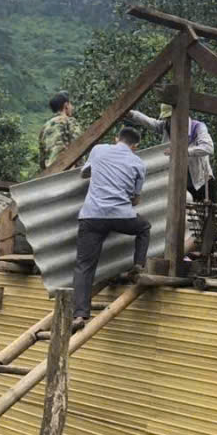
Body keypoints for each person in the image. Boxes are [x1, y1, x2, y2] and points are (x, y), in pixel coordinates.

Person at [72, 127, 149, 329]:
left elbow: (83, 174)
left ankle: (80, 315)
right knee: (144, 228)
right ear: (135, 146)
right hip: (121, 216)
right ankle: (138, 265)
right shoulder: (138, 163)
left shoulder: (98, 150)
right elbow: (136, 199)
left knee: (84, 266)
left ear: (116, 139)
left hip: (92, 216)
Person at [128, 103, 217, 202]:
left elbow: (208, 147)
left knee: (207, 210)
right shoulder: (166, 126)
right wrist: (131, 114)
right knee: (183, 210)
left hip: (201, 183)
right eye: (167, 118)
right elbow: (149, 122)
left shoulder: (197, 127)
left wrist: (181, 152)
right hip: (181, 184)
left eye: (170, 117)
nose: (168, 121)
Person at [39, 91, 81, 172]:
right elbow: (79, 145)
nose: (72, 107)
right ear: (66, 105)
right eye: (71, 104)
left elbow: (42, 156)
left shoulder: (45, 127)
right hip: (69, 170)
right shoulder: (71, 121)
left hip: (51, 172)